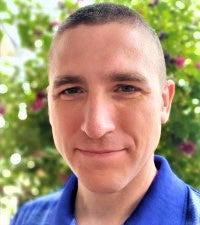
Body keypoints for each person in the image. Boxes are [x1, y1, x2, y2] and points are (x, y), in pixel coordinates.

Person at [11, 3, 200, 225]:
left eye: (126, 88)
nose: (96, 126)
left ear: (164, 102)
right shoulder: (29, 218)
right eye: (71, 91)